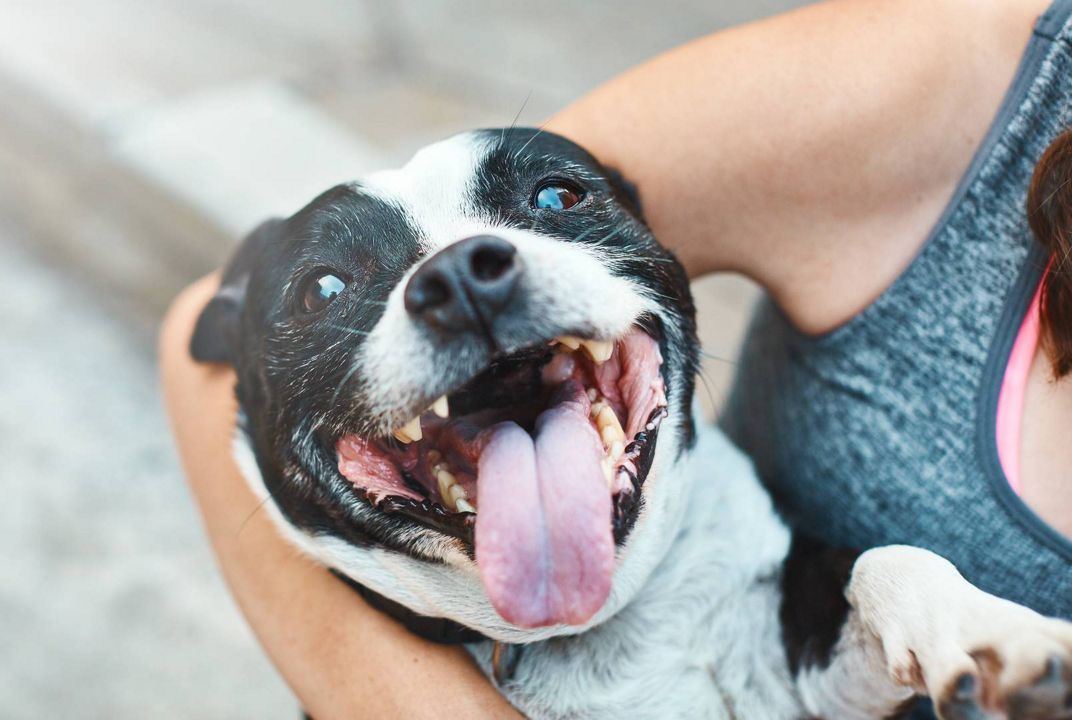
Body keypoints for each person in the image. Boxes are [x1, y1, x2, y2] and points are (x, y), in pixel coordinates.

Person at [159, 0, 1072, 715]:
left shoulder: (752, 554)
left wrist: (926, 608)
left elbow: (824, 662)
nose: (465, 273)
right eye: (326, 290)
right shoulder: (975, 72)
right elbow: (193, 329)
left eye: (551, 199)